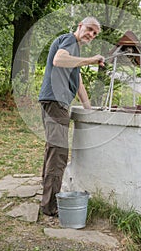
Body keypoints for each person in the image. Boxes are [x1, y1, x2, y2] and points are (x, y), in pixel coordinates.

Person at [39, 17, 105, 216]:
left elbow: (78, 80)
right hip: (55, 102)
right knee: (58, 154)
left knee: (53, 150)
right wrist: (90, 60)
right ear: (80, 26)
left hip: (53, 102)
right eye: (89, 29)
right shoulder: (70, 40)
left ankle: (46, 198)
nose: (91, 35)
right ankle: (50, 206)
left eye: (94, 34)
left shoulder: (74, 49)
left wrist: (88, 107)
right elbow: (58, 60)